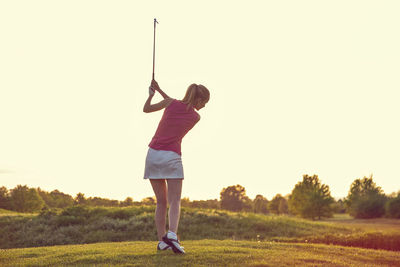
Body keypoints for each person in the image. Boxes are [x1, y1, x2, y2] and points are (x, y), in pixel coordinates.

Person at [143, 79, 210, 254]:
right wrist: (161, 90)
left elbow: (149, 108)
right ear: (198, 100)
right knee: (175, 200)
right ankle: (172, 234)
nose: (204, 106)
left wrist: (152, 94)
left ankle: (162, 241)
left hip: (153, 155)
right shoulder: (196, 117)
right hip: (171, 156)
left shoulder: (170, 103)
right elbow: (178, 106)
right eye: (204, 102)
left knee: (161, 202)